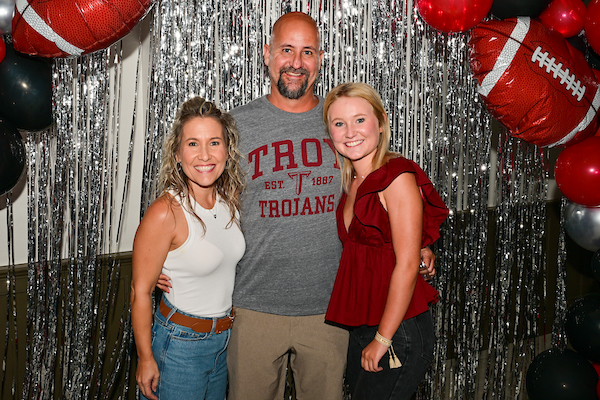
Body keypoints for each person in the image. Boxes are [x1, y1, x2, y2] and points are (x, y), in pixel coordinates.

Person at [158, 12, 436, 399]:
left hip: (330, 310)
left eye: (307, 52)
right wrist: (163, 257)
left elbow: (381, 181)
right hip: (253, 307)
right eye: (286, 50)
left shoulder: (338, 123)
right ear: (268, 55)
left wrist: (415, 240)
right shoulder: (235, 126)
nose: (296, 62)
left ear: (320, 60)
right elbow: (197, 193)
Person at [322, 82, 449, 400]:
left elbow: (407, 266)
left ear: (380, 123)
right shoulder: (352, 177)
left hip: (397, 328)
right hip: (364, 321)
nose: (350, 132)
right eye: (339, 123)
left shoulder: (397, 177)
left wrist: (383, 338)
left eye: (360, 120)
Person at [131, 97, 246, 400]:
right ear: (178, 153)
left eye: (214, 142)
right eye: (193, 143)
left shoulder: (227, 201)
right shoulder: (166, 211)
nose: (205, 155)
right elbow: (139, 291)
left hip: (221, 342)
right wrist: (145, 359)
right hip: (180, 345)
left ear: (227, 150)